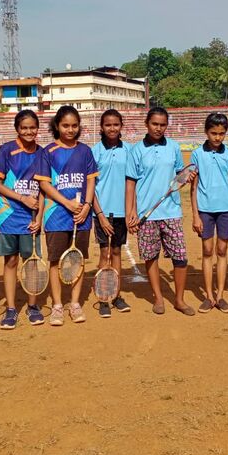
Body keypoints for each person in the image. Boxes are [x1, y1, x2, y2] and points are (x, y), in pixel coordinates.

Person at [125, 107, 196, 316]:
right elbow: (130, 183)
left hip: (171, 211)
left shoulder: (173, 147)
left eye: (163, 124)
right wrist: (132, 211)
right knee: (151, 256)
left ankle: (179, 300)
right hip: (147, 213)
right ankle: (158, 298)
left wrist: (185, 178)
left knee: (180, 257)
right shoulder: (136, 150)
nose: (158, 128)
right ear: (147, 124)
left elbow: (178, 177)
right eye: (155, 124)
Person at [36, 105, 98, 325]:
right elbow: (44, 184)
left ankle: (75, 303)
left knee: (77, 260)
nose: (70, 130)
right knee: (55, 261)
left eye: (74, 125)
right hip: (56, 215)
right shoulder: (48, 152)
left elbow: (90, 179)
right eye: (65, 125)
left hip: (81, 216)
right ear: (57, 126)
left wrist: (86, 205)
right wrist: (66, 203)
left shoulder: (85, 151)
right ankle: (57, 305)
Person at [0, 110, 45, 329]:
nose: (29, 131)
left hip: (31, 219)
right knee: (11, 261)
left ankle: (33, 306)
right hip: (7, 216)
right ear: (17, 129)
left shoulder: (42, 153)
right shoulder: (6, 150)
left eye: (33, 127)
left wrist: (39, 216)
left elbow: (44, 188)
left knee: (31, 264)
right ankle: (11, 308)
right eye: (24, 128)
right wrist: (22, 198)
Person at [190, 113, 228, 314]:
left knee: (222, 251)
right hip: (205, 210)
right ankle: (208, 296)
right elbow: (193, 187)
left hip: (226, 209)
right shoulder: (197, 154)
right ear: (206, 132)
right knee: (207, 251)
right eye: (213, 133)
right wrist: (195, 214)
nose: (217, 137)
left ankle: (220, 296)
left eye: (221, 134)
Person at [91, 109, 132, 318]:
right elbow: (90, 187)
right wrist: (99, 214)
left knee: (116, 252)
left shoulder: (130, 151)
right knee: (104, 253)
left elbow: (133, 182)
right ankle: (103, 297)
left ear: (121, 126)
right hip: (102, 213)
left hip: (122, 212)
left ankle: (116, 295)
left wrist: (131, 211)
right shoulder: (95, 151)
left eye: (116, 124)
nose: (112, 128)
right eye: (108, 124)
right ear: (101, 127)